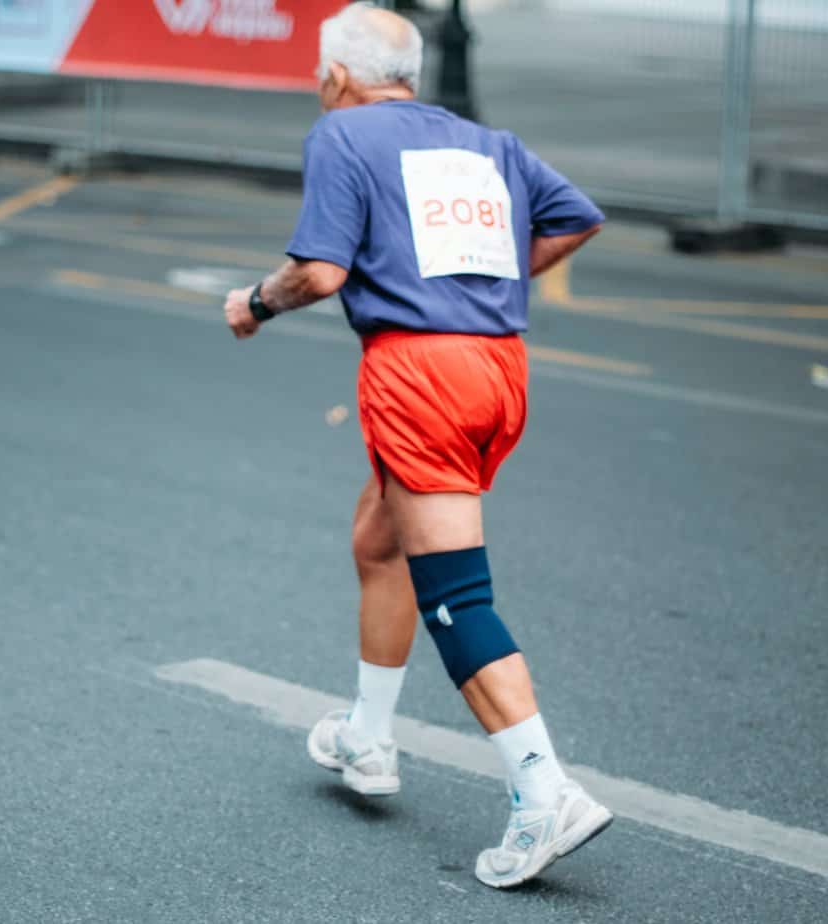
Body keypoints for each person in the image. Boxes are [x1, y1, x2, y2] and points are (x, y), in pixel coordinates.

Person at [221, 3, 610, 890]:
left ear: (337, 75)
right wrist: (484, 290)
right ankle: (367, 734)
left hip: (419, 375)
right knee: (379, 539)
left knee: (454, 595)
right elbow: (577, 217)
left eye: (320, 73)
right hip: (498, 366)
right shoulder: (485, 143)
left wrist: (255, 304)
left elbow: (319, 271)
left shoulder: (341, 135)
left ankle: (544, 789)